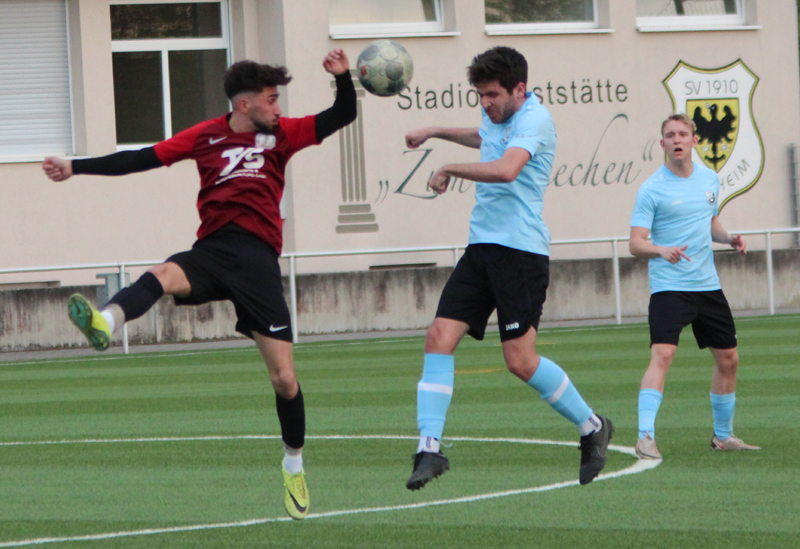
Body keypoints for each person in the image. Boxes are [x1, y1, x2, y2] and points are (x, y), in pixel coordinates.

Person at [42, 50, 357, 519]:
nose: (278, 108)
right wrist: (76, 166)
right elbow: (140, 158)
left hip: (257, 262)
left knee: (285, 379)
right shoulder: (206, 135)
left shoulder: (284, 134)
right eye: (272, 100)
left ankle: (294, 464)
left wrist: (344, 78)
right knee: (162, 274)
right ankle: (105, 322)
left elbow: (343, 113)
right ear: (245, 105)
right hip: (212, 250)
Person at [403, 46, 613, 491]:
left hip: (520, 254)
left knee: (520, 361)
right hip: (481, 249)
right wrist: (437, 130)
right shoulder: (499, 117)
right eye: (480, 95)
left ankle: (592, 425)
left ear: (520, 89)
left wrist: (445, 167)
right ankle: (429, 448)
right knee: (439, 336)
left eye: (493, 95)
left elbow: (506, 169)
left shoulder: (534, 119)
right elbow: (486, 138)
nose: (486, 103)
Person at [629, 113, 760, 460]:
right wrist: (661, 249)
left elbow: (710, 219)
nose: (676, 139)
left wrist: (729, 238)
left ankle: (723, 436)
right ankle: (645, 437)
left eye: (682, 134)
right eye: (670, 134)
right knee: (663, 354)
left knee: (729, 359)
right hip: (669, 287)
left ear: (694, 140)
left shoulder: (709, 179)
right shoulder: (652, 188)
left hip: (707, 286)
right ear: (662, 144)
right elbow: (635, 243)